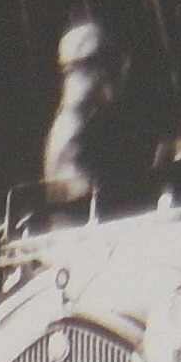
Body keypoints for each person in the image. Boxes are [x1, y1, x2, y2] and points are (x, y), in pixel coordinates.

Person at [45, 17, 156, 218]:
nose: (122, 70)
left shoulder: (102, 117)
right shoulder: (73, 128)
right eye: (110, 62)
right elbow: (84, 197)